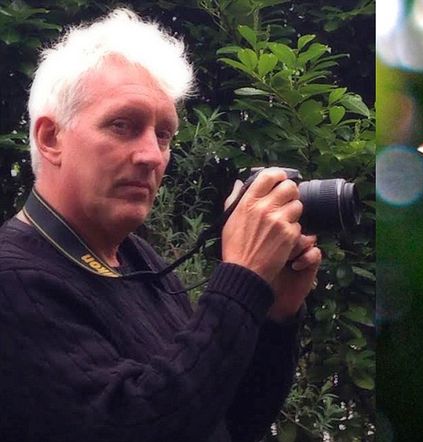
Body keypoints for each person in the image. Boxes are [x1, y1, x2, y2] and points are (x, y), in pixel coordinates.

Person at [0, 8, 321, 442]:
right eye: (123, 125)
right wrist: (242, 277)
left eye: (164, 135)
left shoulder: (136, 259)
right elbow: (133, 426)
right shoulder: (14, 278)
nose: (152, 155)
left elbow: (227, 422)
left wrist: (274, 312)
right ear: (50, 139)